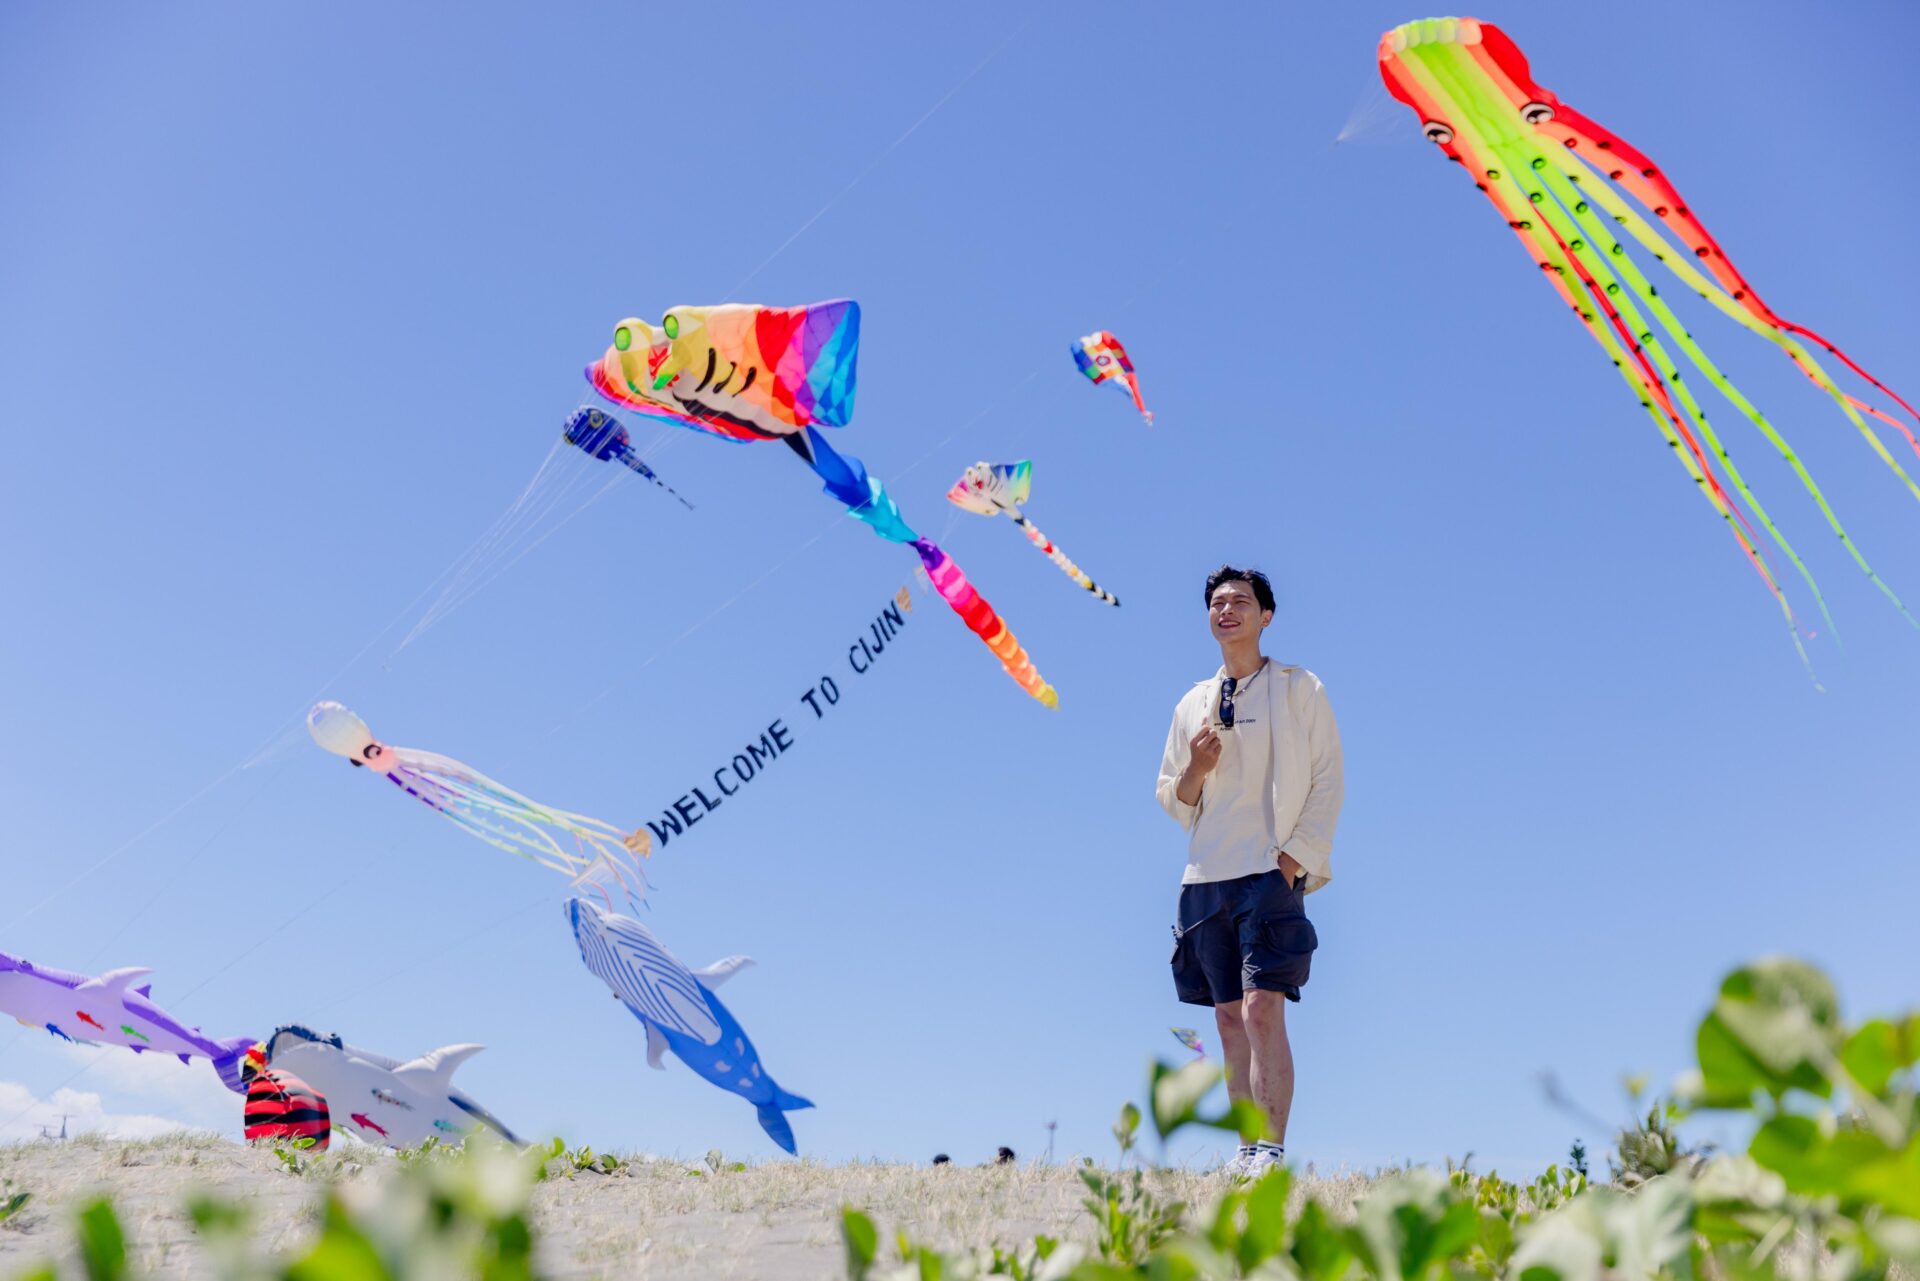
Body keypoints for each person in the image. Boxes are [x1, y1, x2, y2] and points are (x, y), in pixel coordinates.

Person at [1155, 566, 1344, 1178]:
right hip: (1206, 875)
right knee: (1228, 1017)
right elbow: (1173, 797)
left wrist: (1292, 861)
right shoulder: (1190, 704)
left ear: (1266, 616)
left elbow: (1327, 780)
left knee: (1265, 1008)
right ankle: (1244, 1150)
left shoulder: (1299, 688)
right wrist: (1197, 767)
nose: (1226, 609)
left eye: (1240, 600)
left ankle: (1271, 1151)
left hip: (1269, 871)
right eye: (1216, 602)